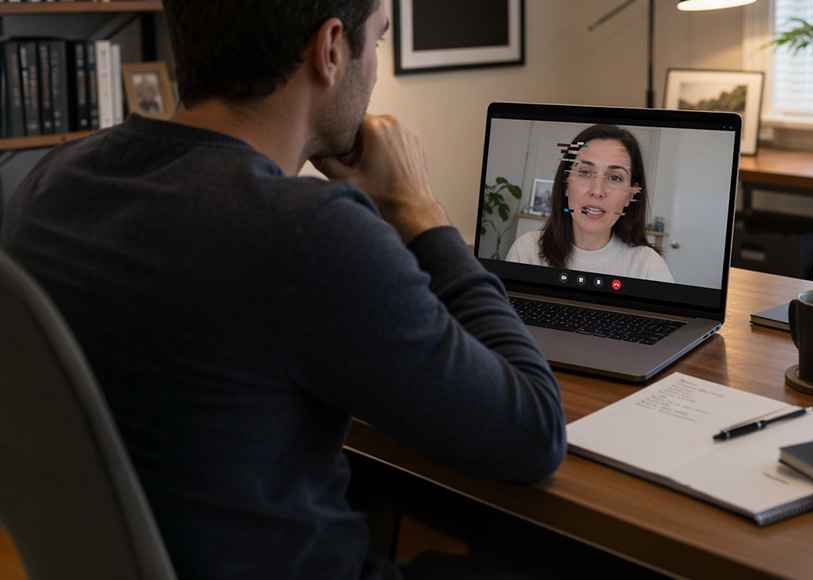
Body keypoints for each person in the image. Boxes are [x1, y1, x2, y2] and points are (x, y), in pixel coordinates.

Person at [0, 1, 567, 578]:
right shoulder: (306, 232)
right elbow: (534, 429)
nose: (373, 67)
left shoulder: (50, 178)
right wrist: (420, 213)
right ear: (329, 51)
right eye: (376, 41)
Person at [505, 124, 674, 282]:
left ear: (630, 195)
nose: (597, 191)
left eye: (614, 177)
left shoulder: (647, 266)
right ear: (566, 184)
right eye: (585, 172)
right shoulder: (527, 251)